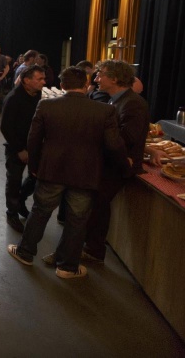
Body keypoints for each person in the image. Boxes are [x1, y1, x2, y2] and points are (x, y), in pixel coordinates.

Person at [8, 67, 129, 279]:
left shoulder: (46, 105)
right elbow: (113, 145)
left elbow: (33, 140)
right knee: (77, 220)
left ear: (62, 86)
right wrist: (125, 164)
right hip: (85, 173)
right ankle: (67, 267)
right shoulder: (104, 111)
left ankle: (25, 252)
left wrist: (35, 167)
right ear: (85, 85)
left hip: (51, 170)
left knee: (40, 212)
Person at [82, 60, 156, 263]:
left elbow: (125, 138)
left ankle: (94, 251)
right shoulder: (116, 99)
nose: (96, 79)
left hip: (120, 166)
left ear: (114, 78)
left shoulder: (132, 103)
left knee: (98, 204)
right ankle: (91, 246)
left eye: (101, 74)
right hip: (113, 161)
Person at [0, 65, 45, 232]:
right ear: (26, 80)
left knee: (35, 177)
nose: (43, 82)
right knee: (14, 180)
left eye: (43, 78)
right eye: (39, 79)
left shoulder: (37, 94)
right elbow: (5, 127)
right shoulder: (13, 98)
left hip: (35, 146)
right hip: (16, 148)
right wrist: (20, 149)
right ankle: (12, 213)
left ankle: (20, 201)